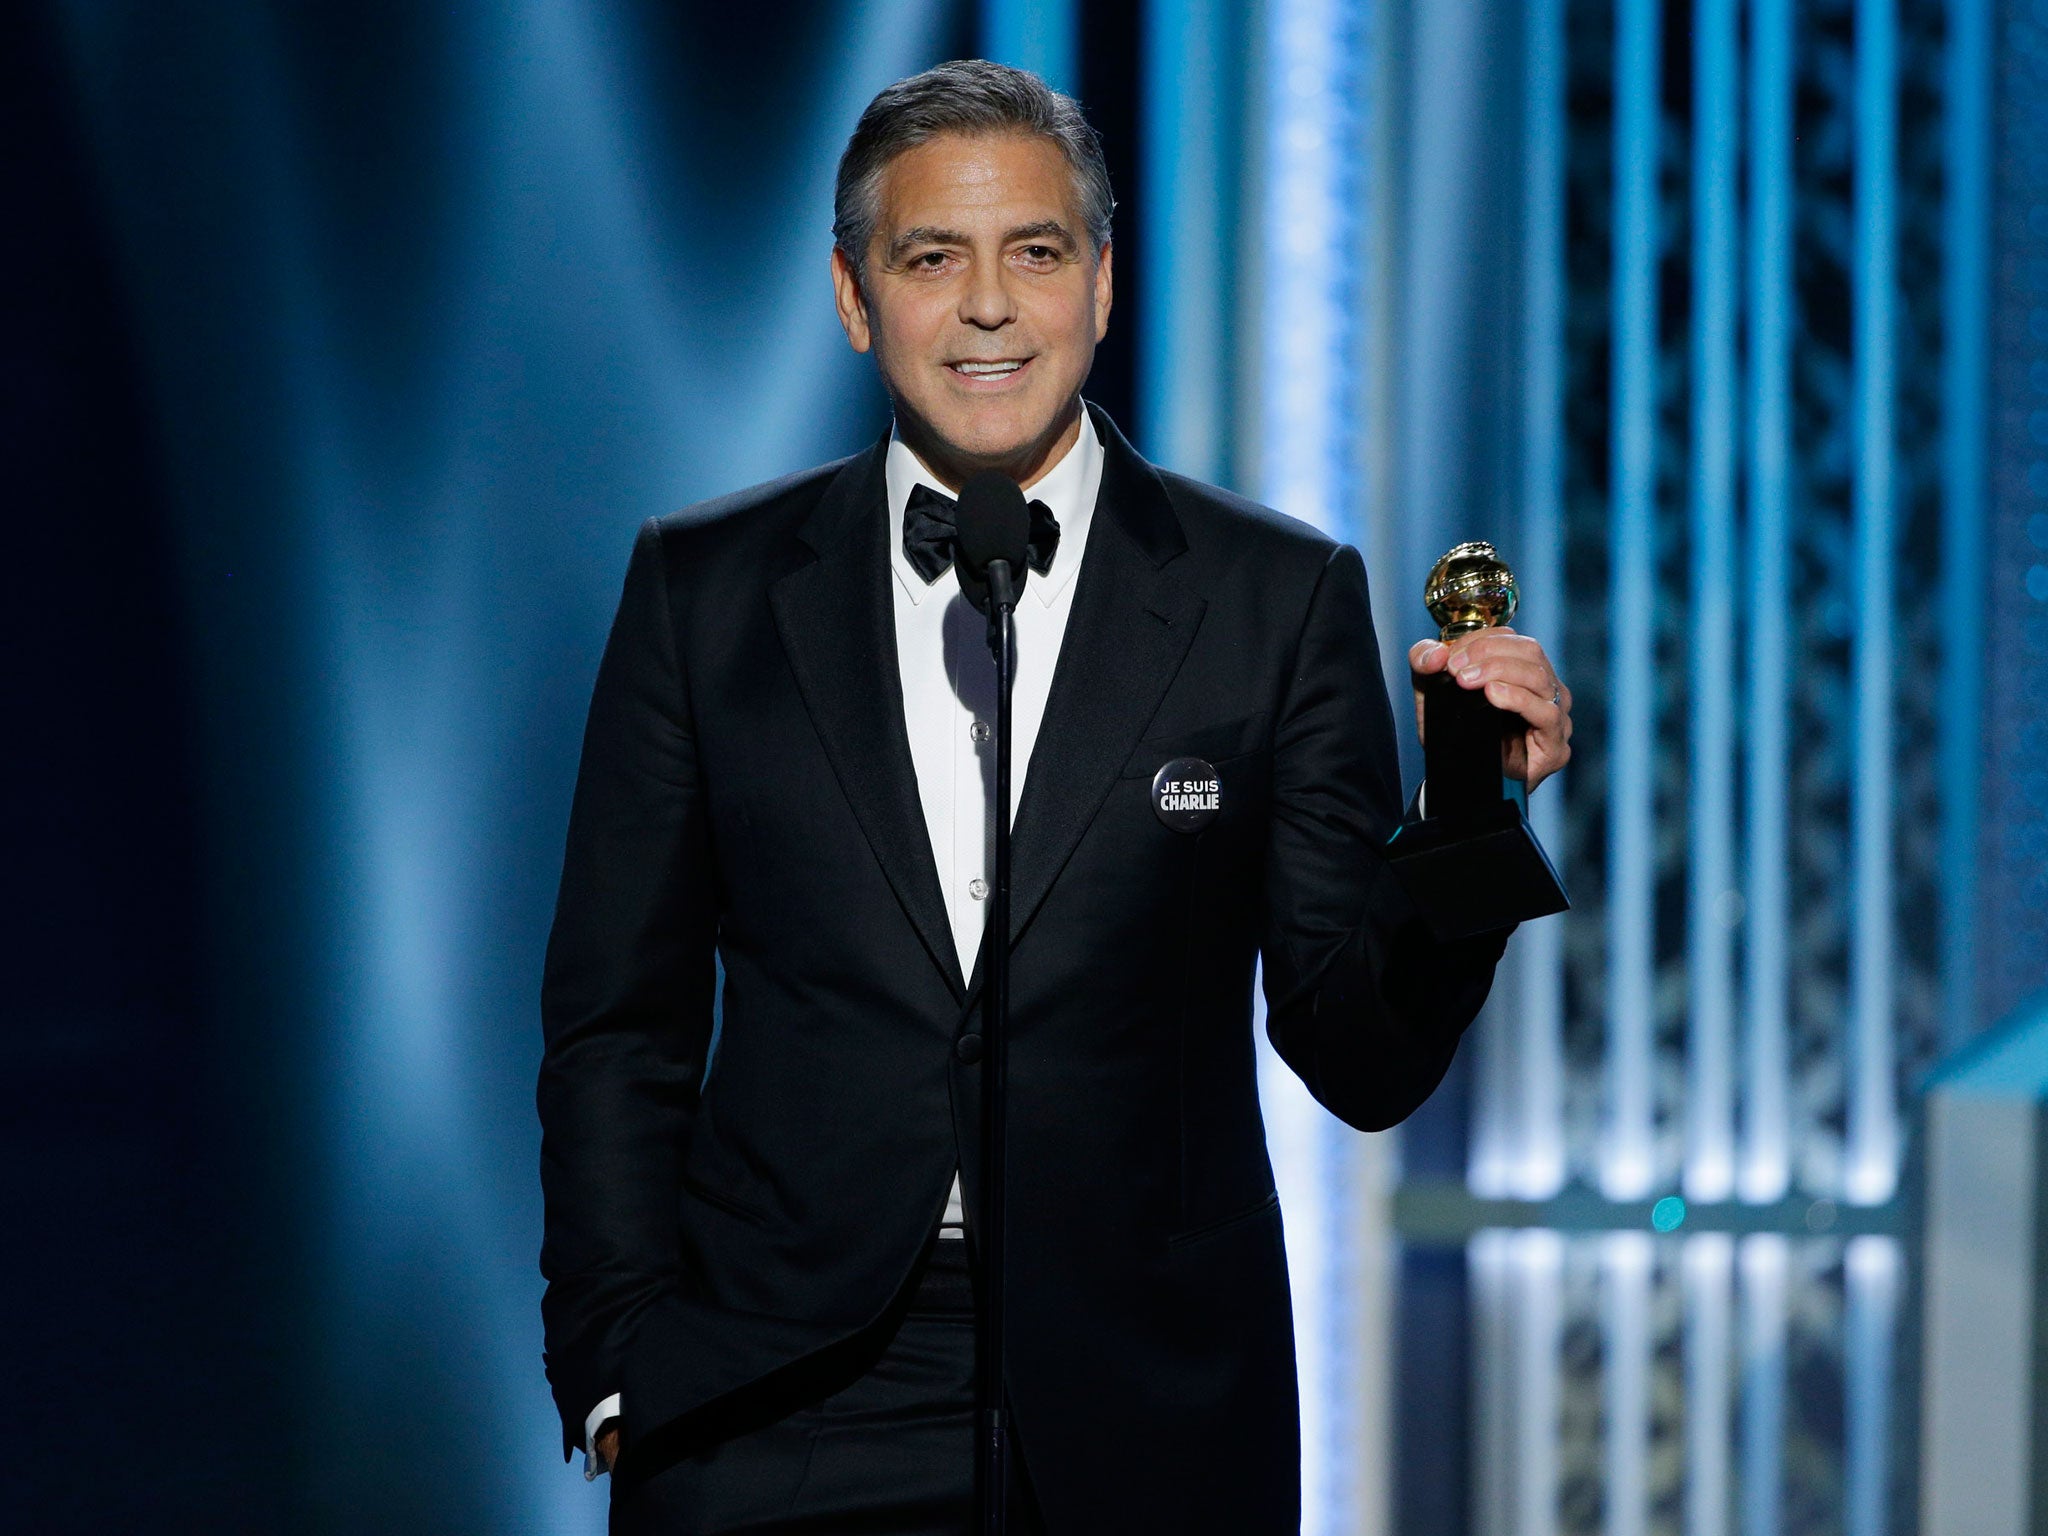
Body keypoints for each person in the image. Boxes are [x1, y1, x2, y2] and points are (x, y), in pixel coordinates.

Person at [538, 59, 1572, 1535]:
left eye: (1034, 252)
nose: (986, 306)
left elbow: (1358, 1054)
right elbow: (611, 1021)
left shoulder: (1272, 599)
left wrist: (1471, 825)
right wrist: (618, 1362)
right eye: (930, 257)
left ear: (1100, 284)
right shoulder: (705, 595)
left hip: (1142, 1402)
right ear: (851, 296)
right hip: (773, 1398)